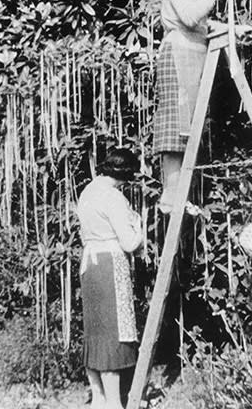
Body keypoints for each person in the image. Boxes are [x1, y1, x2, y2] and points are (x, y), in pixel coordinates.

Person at [153, 0, 239, 213]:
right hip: (178, 54)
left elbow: (199, 22)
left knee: (188, 127)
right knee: (174, 128)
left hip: (192, 54)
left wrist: (233, 29)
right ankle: (170, 197)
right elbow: (190, 17)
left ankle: (177, 196)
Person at [77, 148, 142, 409]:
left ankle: (99, 398)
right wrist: (138, 227)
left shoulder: (88, 191)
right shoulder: (113, 197)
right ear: (124, 176)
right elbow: (128, 243)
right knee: (113, 332)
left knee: (94, 331)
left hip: (90, 264)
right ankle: (114, 403)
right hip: (109, 265)